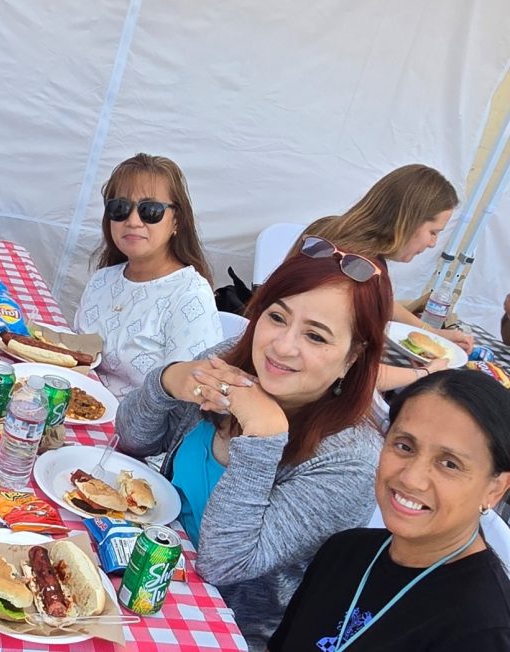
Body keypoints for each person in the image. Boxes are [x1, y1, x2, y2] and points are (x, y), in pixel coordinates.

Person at [117, 240, 393, 650]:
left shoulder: (350, 461)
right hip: (136, 558)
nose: (282, 346)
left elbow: (223, 564)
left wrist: (263, 435)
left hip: (214, 626)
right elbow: (132, 440)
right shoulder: (228, 365)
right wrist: (167, 380)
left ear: (352, 356)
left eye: (315, 336)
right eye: (277, 317)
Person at [269, 370, 510, 650]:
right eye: (404, 446)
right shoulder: (343, 551)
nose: (411, 478)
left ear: (495, 489)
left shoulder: (483, 632)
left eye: (449, 464)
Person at [297, 164, 474, 389]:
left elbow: (383, 301)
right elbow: (352, 374)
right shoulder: (363, 272)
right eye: (433, 232)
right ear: (409, 221)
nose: (433, 243)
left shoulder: (327, 230)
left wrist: (432, 333)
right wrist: (426, 373)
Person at [74, 154, 221, 399]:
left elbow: (190, 401)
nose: (133, 221)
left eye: (150, 211)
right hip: (77, 407)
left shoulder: (190, 296)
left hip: (135, 424)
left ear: (176, 221)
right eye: (120, 208)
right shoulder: (102, 279)